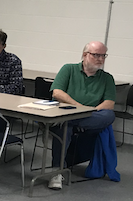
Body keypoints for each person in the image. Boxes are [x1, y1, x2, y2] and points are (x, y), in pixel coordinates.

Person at [47, 41, 117, 190]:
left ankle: (71, 121)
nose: (100, 59)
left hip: (90, 119)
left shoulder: (107, 78)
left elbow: (109, 103)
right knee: (64, 125)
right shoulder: (68, 69)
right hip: (65, 113)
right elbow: (57, 93)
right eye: (96, 55)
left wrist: (88, 112)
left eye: (103, 55)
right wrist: (79, 109)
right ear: (85, 55)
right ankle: (56, 172)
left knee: (109, 115)